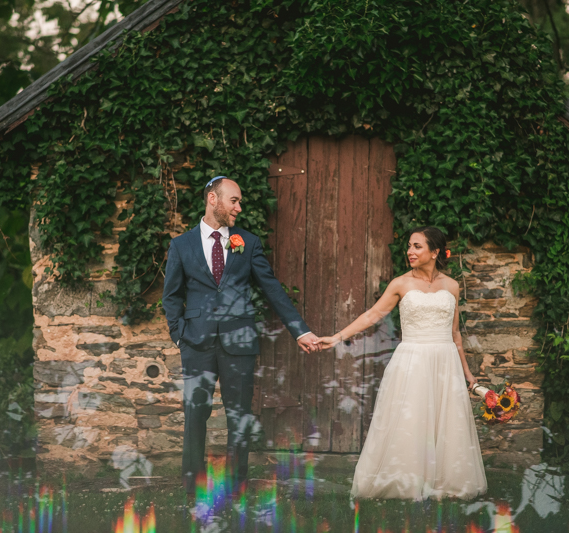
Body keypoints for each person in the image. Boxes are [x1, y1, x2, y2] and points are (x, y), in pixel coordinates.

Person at [162, 176, 320, 496]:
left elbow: (272, 289)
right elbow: (171, 296)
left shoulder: (247, 242)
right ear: (212, 199)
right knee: (195, 416)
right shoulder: (181, 245)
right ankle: (192, 488)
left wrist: (299, 330)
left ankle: (236, 488)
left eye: (240, 201)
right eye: (234, 200)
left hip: (239, 343)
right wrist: (179, 335)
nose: (239, 207)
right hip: (196, 342)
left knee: (239, 418)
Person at [317, 226, 487, 500]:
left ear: (435, 252)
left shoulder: (452, 286)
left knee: (444, 423)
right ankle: (405, 481)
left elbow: (455, 333)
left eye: (417, 246)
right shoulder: (400, 284)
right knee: (411, 421)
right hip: (413, 360)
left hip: (445, 362)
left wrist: (468, 374)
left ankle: (445, 482)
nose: (410, 251)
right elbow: (372, 315)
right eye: (409, 246)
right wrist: (337, 337)